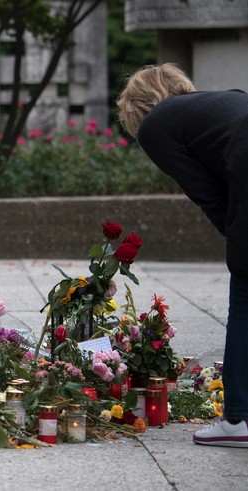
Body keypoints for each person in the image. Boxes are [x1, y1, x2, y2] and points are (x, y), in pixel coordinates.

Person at [118, 63, 248, 448]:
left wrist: (237, 240)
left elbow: (207, 193)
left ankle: (238, 418)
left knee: (245, 284)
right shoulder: (224, 100)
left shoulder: (156, 124)